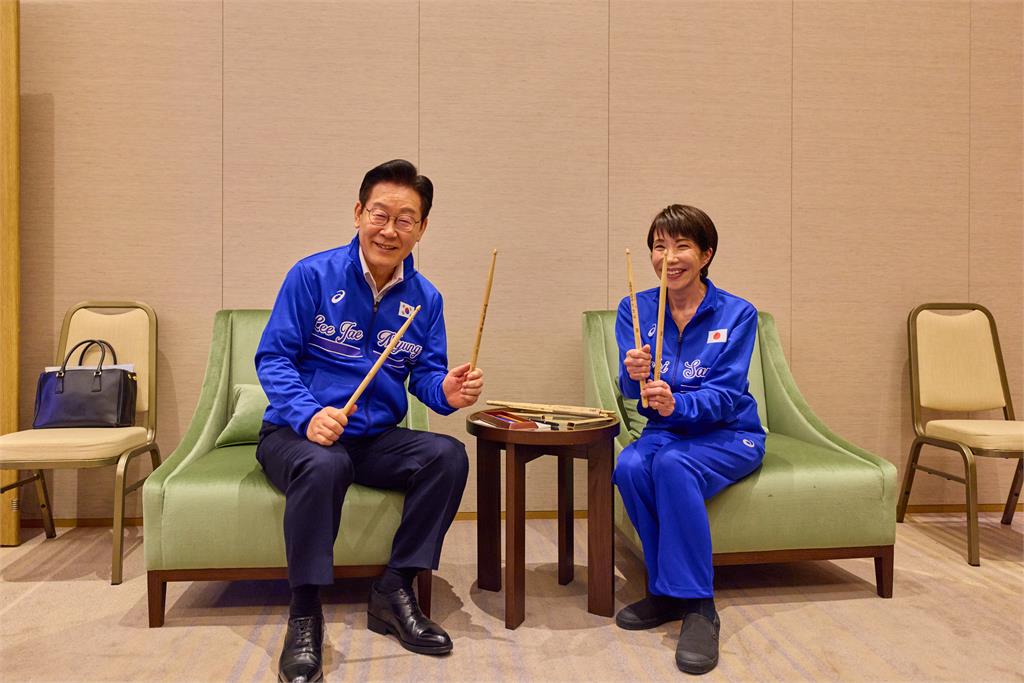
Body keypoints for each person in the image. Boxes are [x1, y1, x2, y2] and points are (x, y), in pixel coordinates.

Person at [255, 159, 483, 683]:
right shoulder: (311, 275)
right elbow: (273, 358)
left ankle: (394, 587)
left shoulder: (425, 299)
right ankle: (305, 613)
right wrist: (308, 415)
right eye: (380, 214)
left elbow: (426, 376)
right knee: (326, 464)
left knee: (447, 457)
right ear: (358, 213)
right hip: (295, 434)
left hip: (372, 438)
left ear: (422, 228)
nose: (389, 230)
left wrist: (446, 391)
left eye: (405, 220)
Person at [613, 204, 765, 675]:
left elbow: (727, 395)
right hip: (666, 431)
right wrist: (634, 375)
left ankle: (700, 605)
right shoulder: (635, 308)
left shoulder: (737, 313)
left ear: (706, 254)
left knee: (673, 464)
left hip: (730, 433)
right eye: (659, 247)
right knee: (630, 466)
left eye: (682, 246)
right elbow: (630, 387)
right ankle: (665, 591)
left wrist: (678, 403)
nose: (669, 257)